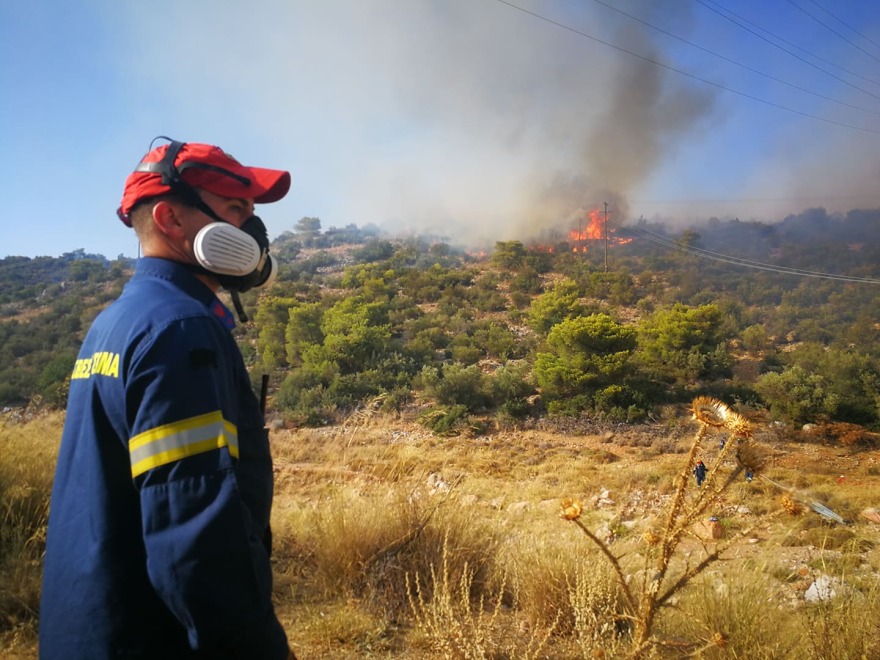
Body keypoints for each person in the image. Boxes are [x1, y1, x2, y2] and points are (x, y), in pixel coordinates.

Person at [40, 138, 296, 659]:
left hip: (90, 624)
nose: (253, 230)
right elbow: (195, 538)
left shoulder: (115, 322)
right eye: (236, 209)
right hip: (149, 637)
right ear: (171, 219)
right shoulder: (181, 330)